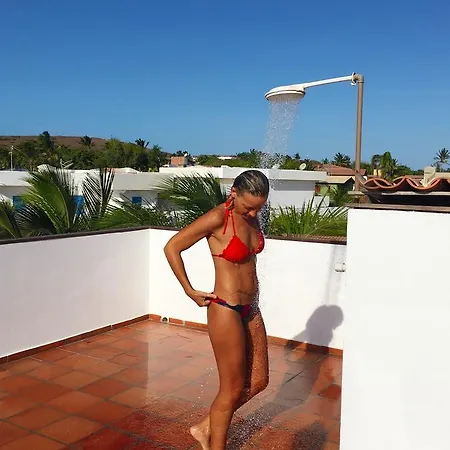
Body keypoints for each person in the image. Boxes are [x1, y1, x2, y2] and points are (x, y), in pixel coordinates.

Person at [164, 169, 271, 450]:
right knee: (232, 389)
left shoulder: (253, 217)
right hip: (226, 308)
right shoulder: (218, 218)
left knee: (258, 382)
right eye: (249, 207)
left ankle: (204, 428)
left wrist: (252, 213)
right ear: (234, 193)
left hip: (251, 308)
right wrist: (189, 289)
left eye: (259, 208)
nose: (253, 213)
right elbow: (172, 247)